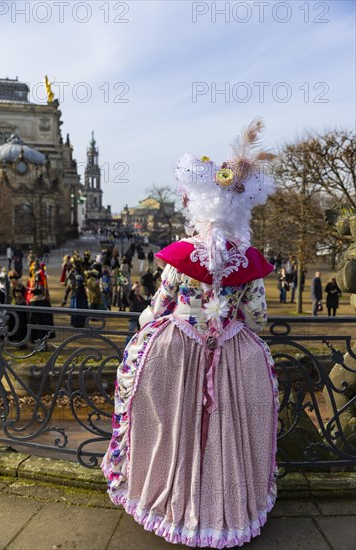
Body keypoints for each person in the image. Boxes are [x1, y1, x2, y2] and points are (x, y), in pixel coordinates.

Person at [101, 119, 279, 548]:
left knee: (170, 422)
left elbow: (159, 305)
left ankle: (168, 495)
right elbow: (257, 318)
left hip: (178, 348)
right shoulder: (248, 260)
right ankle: (225, 507)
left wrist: (151, 328)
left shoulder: (183, 255)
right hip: (232, 351)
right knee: (228, 426)